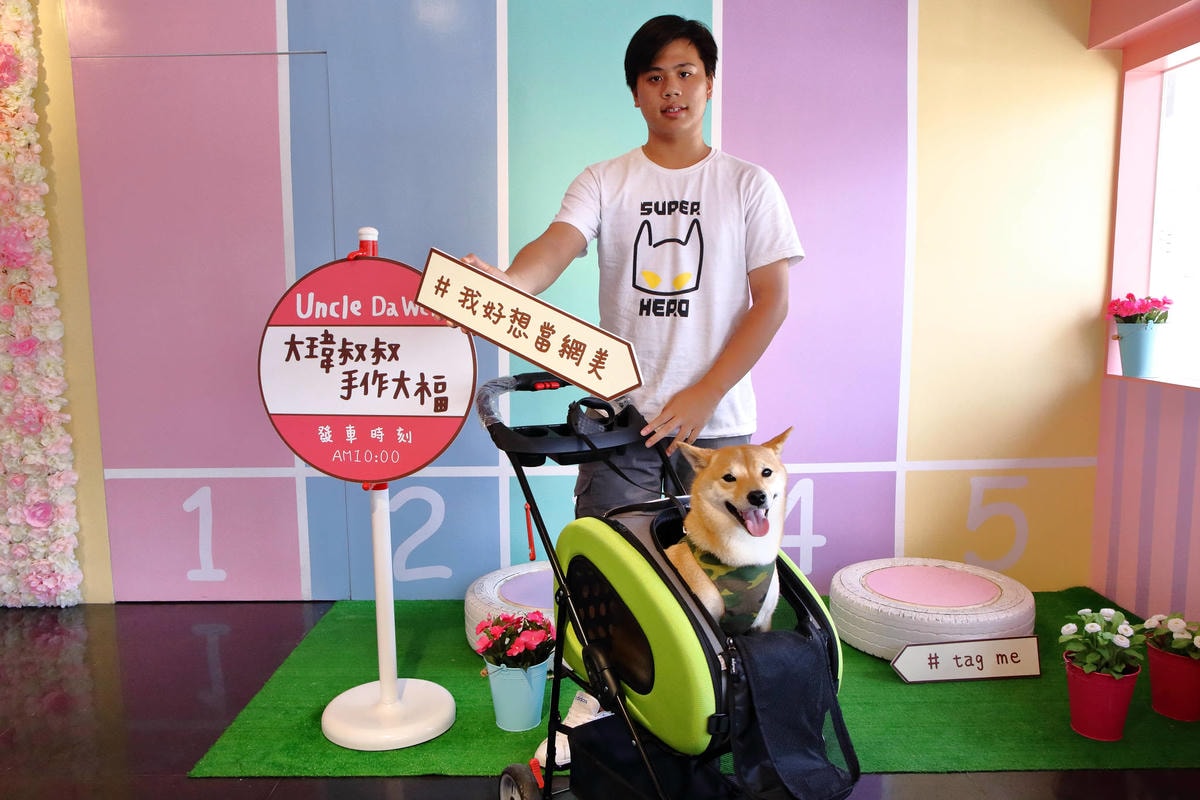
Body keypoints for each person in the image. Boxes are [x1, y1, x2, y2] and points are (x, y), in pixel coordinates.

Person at [466, 14, 803, 519]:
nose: (672, 89)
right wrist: (510, 285)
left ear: (709, 84)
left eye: (686, 73)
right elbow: (558, 243)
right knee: (611, 574)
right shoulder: (604, 180)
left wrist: (706, 393)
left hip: (717, 423)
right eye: (655, 77)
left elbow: (773, 301)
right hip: (621, 421)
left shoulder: (748, 184)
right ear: (635, 93)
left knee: (718, 580)